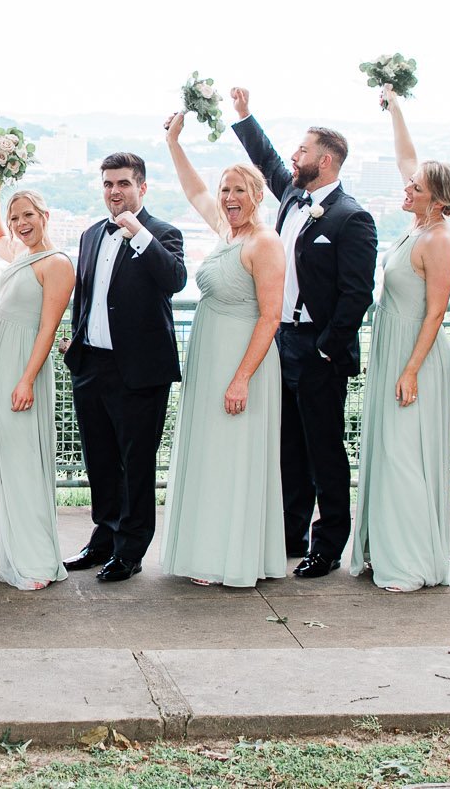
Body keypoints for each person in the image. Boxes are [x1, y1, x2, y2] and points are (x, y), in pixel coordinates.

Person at [227, 87, 379, 578]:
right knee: (288, 446)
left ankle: (329, 542)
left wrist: (326, 352)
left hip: (317, 348)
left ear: (327, 160)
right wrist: (246, 117)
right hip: (280, 342)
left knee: (324, 448)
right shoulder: (293, 196)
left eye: (304, 150)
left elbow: (357, 295)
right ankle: (291, 533)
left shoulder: (352, 217)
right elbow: (269, 160)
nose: (295, 157)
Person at [159, 113, 289, 588]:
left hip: (243, 362)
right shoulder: (225, 230)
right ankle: (207, 547)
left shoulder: (264, 242)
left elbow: (270, 316)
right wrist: (173, 143)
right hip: (210, 356)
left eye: (239, 190)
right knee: (211, 454)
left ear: (257, 196)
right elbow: (195, 190)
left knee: (234, 456)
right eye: (225, 190)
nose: (229, 198)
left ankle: (230, 557)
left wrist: (241, 378)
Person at [348, 88, 450, 592]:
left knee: (404, 456)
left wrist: (411, 369)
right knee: (388, 452)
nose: (406, 187)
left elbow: (436, 312)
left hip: (415, 356)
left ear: (435, 198)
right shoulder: (418, 225)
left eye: (414, 186)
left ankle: (411, 562)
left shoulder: (440, 239)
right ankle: (386, 548)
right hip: (392, 350)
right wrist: (395, 110)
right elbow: (407, 157)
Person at [63, 150, 188, 583]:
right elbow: (85, 297)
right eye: (108, 184)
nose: (114, 192)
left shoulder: (164, 233)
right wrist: (76, 343)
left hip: (139, 372)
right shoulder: (91, 235)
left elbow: (174, 280)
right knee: (99, 458)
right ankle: (103, 537)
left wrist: (137, 233)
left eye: (123, 184)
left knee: (136, 463)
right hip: (91, 366)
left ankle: (131, 549)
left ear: (142, 187)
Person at [0, 178, 75, 589]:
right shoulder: (20, 253)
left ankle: (35, 560)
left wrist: (27, 379)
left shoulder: (57, 264)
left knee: (22, 463)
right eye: (15, 218)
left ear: (45, 217)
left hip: (22, 369)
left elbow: (48, 329)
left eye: (28, 215)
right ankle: (5, 548)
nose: (20, 223)